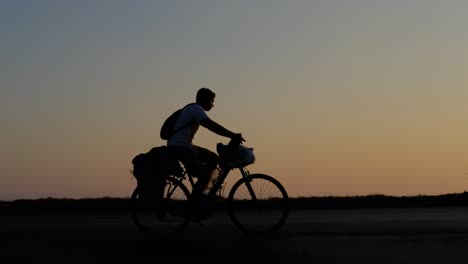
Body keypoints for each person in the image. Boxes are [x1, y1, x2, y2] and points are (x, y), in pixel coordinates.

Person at [167, 87, 244, 220]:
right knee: (203, 176)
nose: (213, 104)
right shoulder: (196, 109)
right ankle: (192, 208)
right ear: (205, 100)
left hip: (184, 146)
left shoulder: (194, 109)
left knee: (214, 159)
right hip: (180, 147)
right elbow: (210, 125)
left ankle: (204, 196)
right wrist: (232, 135)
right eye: (212, 101)